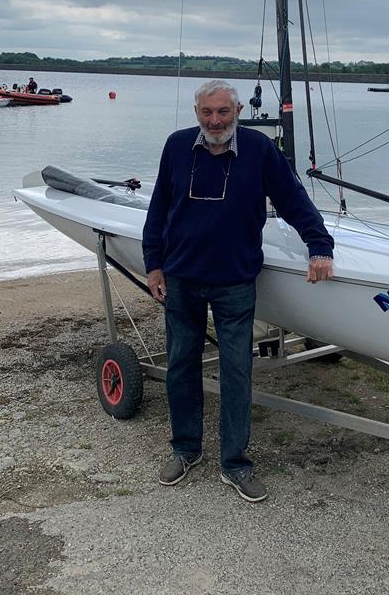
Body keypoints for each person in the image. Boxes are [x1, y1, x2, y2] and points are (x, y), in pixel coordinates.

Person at [143, 80, 334, 503]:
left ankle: (235, 463)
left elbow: (293, 199)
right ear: (197, 113)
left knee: (235, 371)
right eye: (206, 113)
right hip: (181, 278)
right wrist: (153, 264)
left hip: (235, 280)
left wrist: (319, 246)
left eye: (223, 113)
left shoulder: (260, 150)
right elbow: (158, 208)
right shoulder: (176, 147)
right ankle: (185, 449)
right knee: (180, 365)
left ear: (239, 110)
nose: (214, 121)